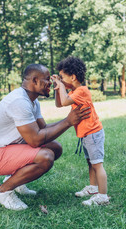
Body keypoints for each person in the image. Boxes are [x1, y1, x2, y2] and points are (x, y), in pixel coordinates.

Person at [0, 63, 91, 211]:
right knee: (46, 156)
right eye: (46, 79)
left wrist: (68, 120)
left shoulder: (32, 100)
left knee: (55, 147)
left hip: (8, 147)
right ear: (35, 80)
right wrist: (68, 121)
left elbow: (42, 129)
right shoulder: (19, 101)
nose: (51, 82)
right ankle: (3, 191)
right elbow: (35, 139)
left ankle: (16, 182)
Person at [51, 56, 110, 206]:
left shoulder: (82, 91)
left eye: (62, 77)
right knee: (91, 163)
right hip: (86, 134)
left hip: (93, 133)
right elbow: (60, 104)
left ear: (73, 77)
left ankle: (103, 196)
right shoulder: (74, 91)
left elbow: (64, 102)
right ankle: (93, 188)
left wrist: (61, 86)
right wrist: (58, 88)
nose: (61, 80)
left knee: (97, 165)